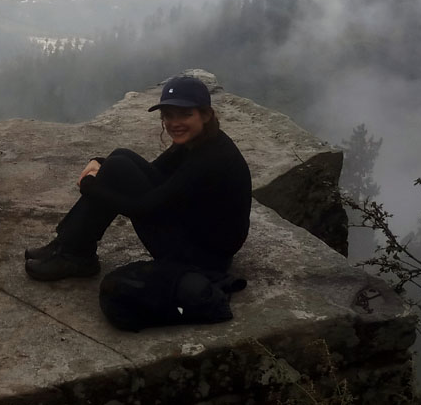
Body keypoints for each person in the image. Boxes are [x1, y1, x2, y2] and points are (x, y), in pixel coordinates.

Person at [24, 75, 252, 281]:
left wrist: (90, 186)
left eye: (185, 114)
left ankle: (73, 252)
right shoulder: (201, 140)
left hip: (200, 258)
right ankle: (69, 247)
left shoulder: (210, 159)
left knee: (118, 167)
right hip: (194, 231)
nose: (174, 123)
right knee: (120, 158)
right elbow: (151, 171)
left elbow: (143, 207)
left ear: (206, 114)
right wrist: (100, 162)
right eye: (168, 115)